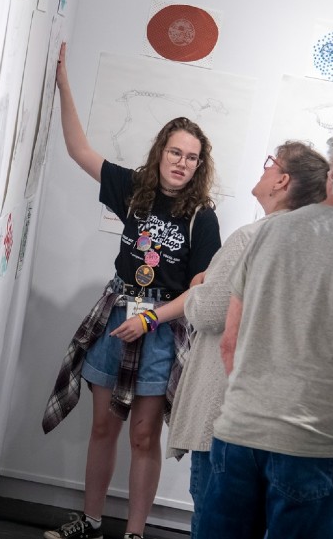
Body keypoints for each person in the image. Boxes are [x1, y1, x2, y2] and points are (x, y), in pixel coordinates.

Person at [198, 121, 333, 538]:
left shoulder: (268, 232)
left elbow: (231, 343)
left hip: (238, 437)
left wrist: (255, 410)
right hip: (317, 449)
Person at [41, 42, 221, 539]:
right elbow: (79, 150)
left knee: (144, 435)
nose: (181, 163)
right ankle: (91, 519)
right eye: (175, 152)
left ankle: (136, 532)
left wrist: (152, 319)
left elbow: (199, 293)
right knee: (104, 427)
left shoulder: (202, 218)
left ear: (199, 165)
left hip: (160, 329)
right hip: (117, 316)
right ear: (160, 151)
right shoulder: (133, 189)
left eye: (191, 158)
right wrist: (61, 82)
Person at [110, 141, 330, 538]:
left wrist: (198, 285)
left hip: (227, 409)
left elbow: (209, 313)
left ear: (282, 180)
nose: (263, 170)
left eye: (271, 164)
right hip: (272, 412)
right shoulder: (313, 244)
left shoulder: (250, 238)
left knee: (215, 515)